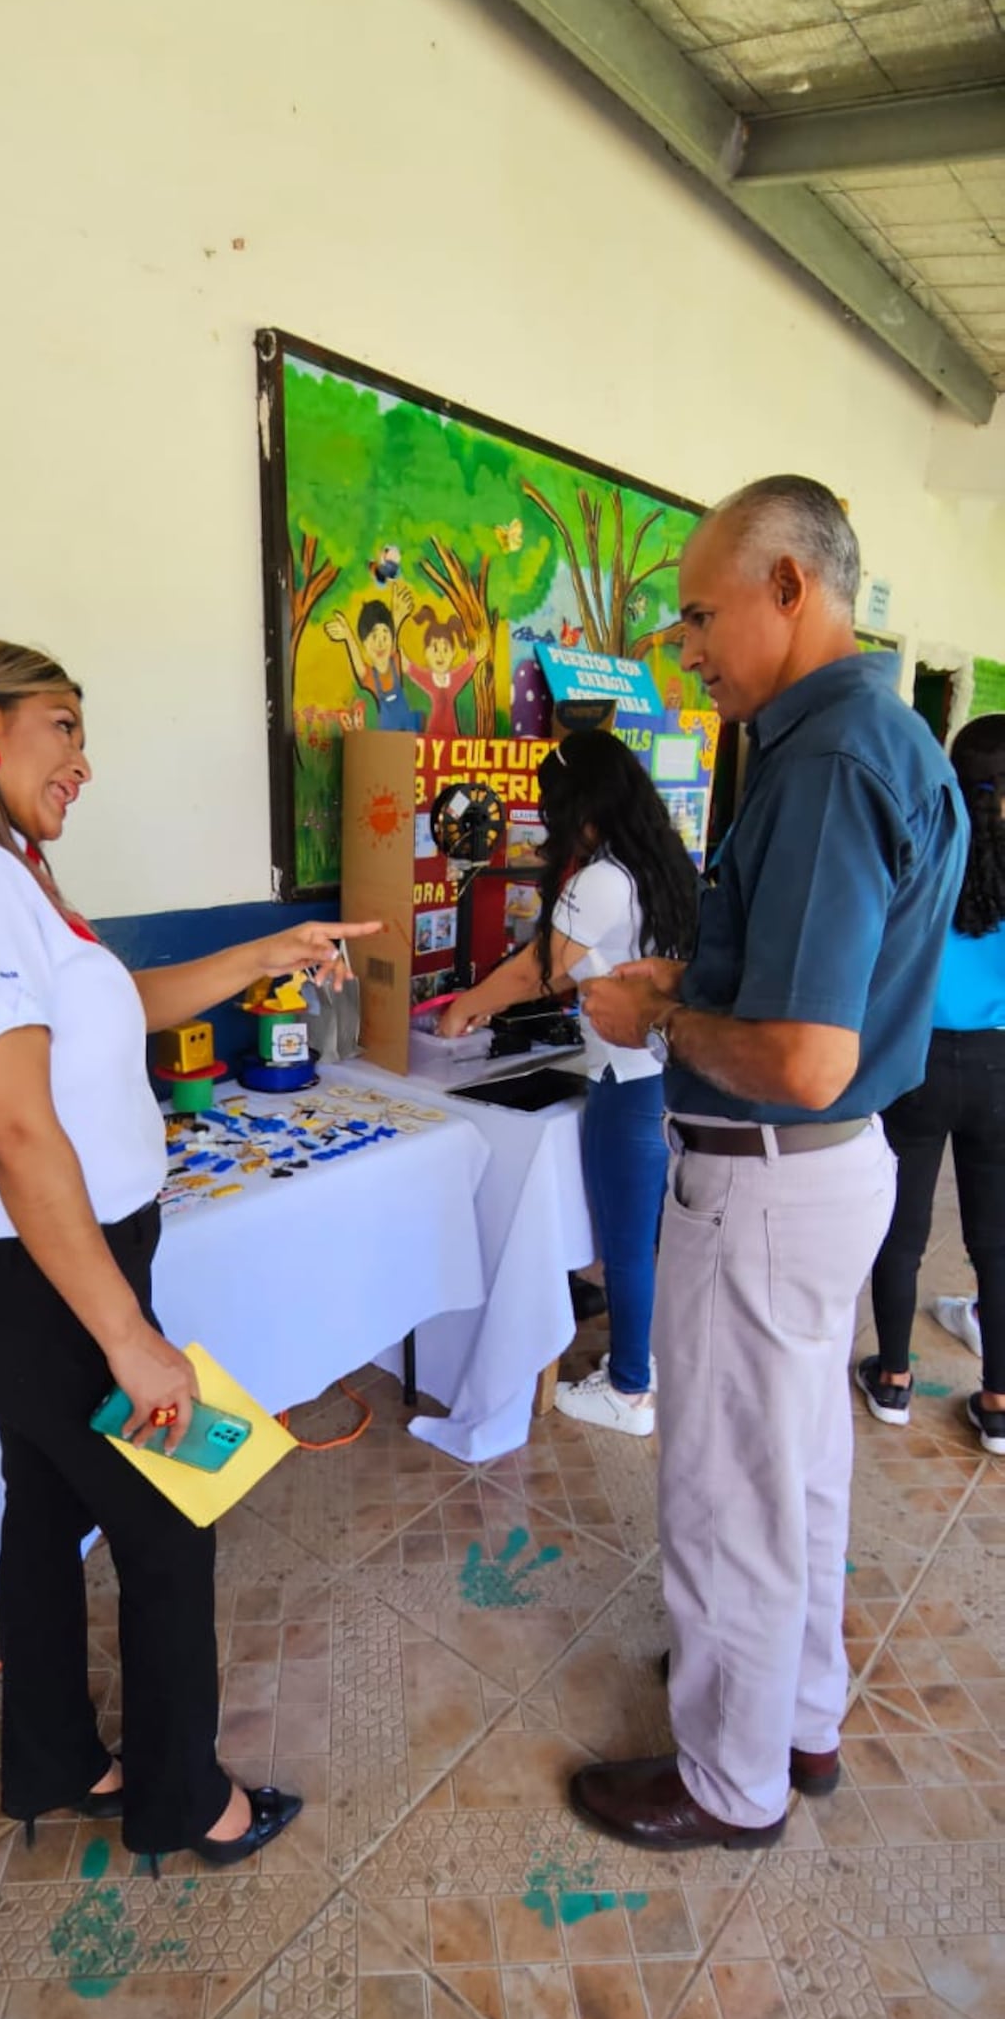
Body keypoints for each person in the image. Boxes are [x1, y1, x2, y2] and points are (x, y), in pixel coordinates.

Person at [0, 639, 376, 1867]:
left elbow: (108, 1005)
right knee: (170, 1519)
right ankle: (186, 1799)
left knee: (42, 1512)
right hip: (50, 1288)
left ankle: (58, 1758)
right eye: (63, 727)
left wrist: (260, 955)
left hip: (22, 1278)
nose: (85, 762)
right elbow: (16, 1129)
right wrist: (130, 1340)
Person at [565, 477, 967, 1852]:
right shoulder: (888, 734)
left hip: (766, 1169)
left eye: (697, 611)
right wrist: (703, 973)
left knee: (728, 1486)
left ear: (789, 586)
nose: (686, 644)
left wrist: (658, 1015)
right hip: (830, 1169)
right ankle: (794, 1713)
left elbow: (802, 1054)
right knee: (795, 1464)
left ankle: (728, 1780)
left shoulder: (823, 759)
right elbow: (823, 993)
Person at [440, 732, 698, 1433]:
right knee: (636, 1235)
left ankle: (629, 1388)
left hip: (626, 1081)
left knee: (622, 1243)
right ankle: (646, 1366)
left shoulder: (601, 878)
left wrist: (465, 1007)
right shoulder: (660, 862)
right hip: (661, 1073)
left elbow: (540, 971)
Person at [857, 714, 1005, 1458]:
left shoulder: (927, 853)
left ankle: (892, 1380)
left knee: (902, 1231)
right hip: (1001, 1068)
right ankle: (1000, 1402)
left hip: (918, 1061)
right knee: (997, 1241)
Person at [324, 597, 417, 732]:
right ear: (364, 643)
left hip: (406, 736)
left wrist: (397, 617)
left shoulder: (396, 662)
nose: (380, 644)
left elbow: (393, 636)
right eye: (374, 637)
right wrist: (348, 636)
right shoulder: (367, 675)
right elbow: (357, 660)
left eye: (385, 637)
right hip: (381, 741)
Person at [401, 605, 488, 738]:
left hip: (452, 734)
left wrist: (477, 656)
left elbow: (467, 668)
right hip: (433, 734)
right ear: (426, 653)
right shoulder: (428, 678)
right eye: (435, 649)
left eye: (445, 650)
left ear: (453, 653)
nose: (440, 656)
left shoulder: (454, 679)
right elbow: (409, 668)